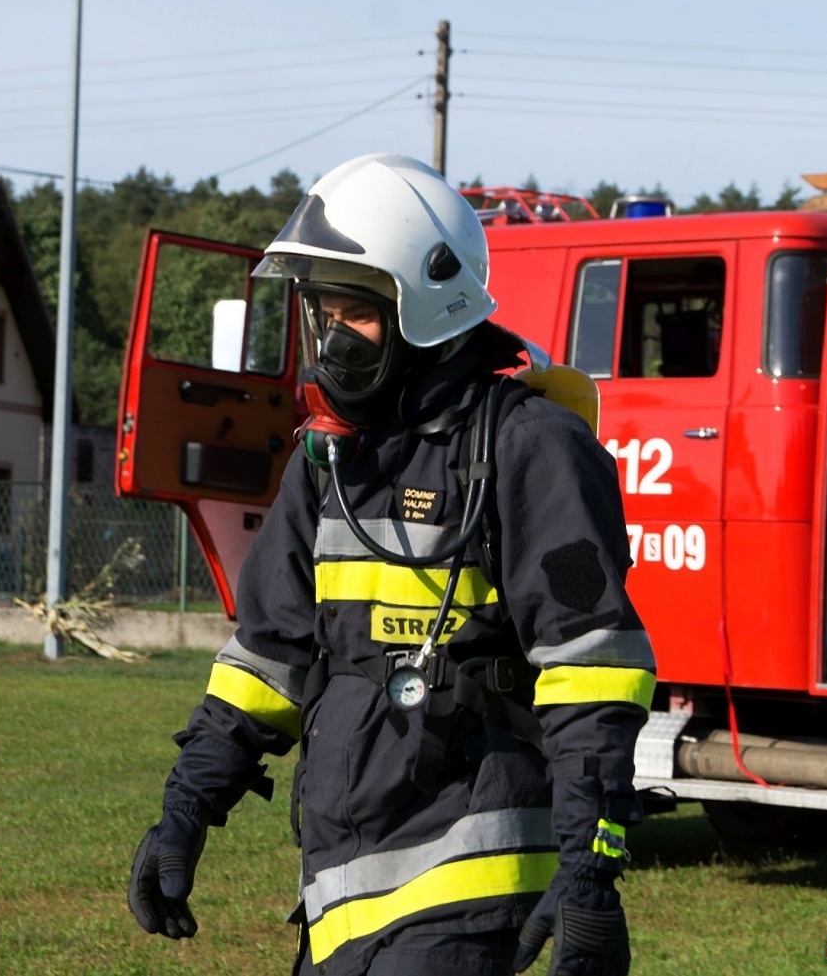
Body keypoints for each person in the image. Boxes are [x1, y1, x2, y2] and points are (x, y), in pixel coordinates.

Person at [128, 154, 655, 975]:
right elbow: (268, 657)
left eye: (357, 312)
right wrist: (187, 803)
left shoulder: (531, 448)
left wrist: (590, 872)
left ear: (427, 307)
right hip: (339, 901)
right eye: (321, 311)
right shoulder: (328, 460)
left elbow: (593, 671)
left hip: (466, 897)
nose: (332, 337)